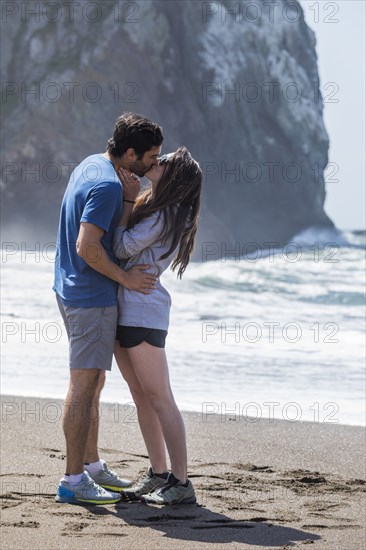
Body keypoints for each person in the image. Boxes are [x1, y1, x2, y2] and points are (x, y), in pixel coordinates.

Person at [53, 113, 163, 505]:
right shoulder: (106, 184)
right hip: (90, 297)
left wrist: (131, 198)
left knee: (93, 384)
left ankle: (93, 466)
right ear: (130, 153)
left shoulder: (92, 164)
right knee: (83, 388)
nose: (153, 164)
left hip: (69, 288)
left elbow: (97, 233)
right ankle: (72, 479)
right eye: (150, 157)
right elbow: (88, 246)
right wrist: (126, 279)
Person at [113, 146, 202, 505]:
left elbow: (120, 248)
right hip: (130, 307)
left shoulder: (165, 213)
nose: (157, 161)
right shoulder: (164, 209)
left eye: (164, 162)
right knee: (143, 397)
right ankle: (159, 474)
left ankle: (181, 482)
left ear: (175, 177)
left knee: (160, 398)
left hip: (142, 310)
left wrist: (127, 201)